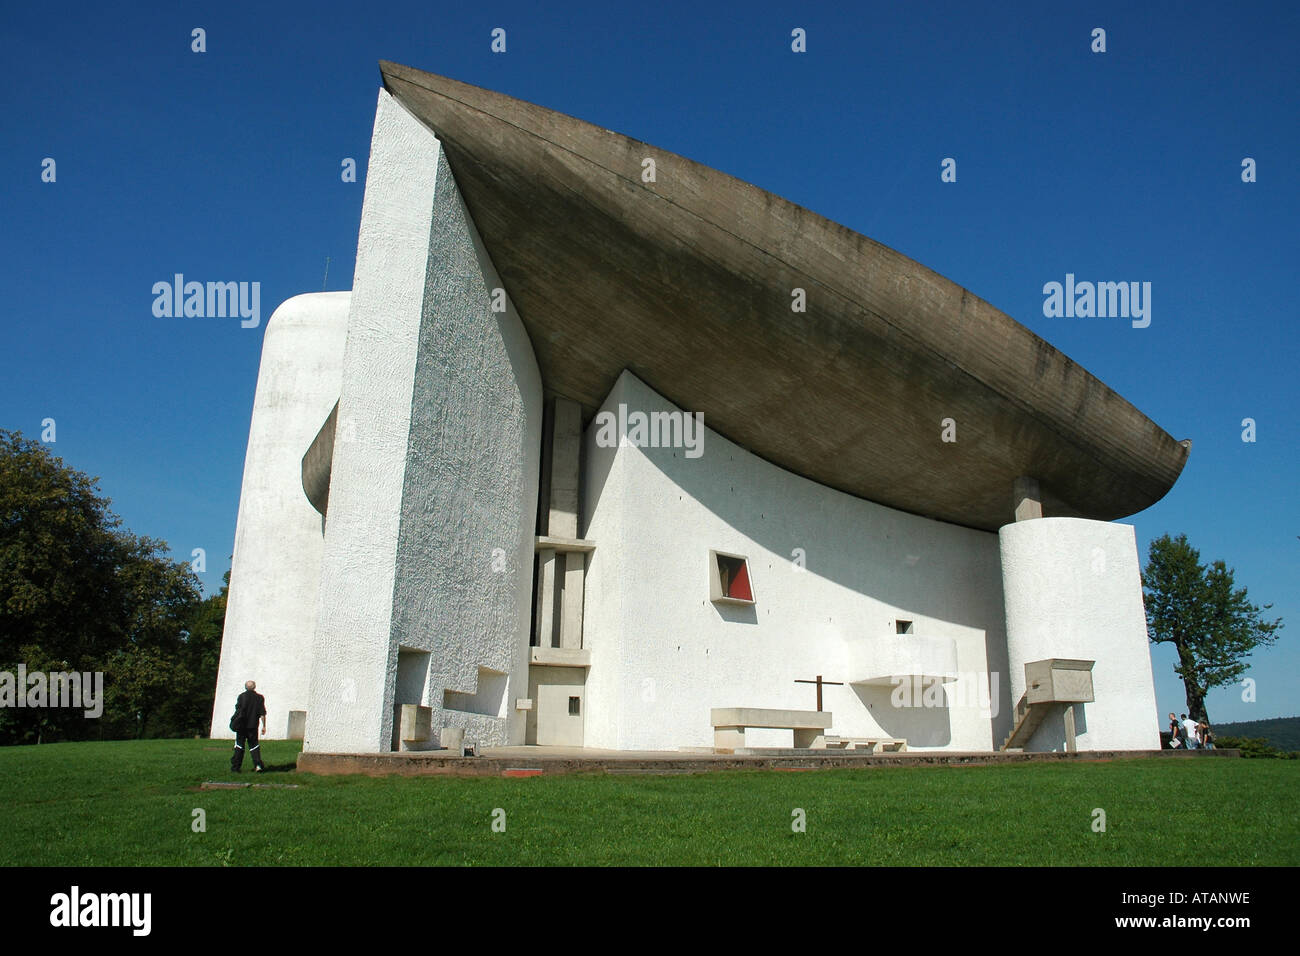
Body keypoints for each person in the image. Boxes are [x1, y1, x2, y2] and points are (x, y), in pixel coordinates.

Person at [230, 680, 268, 773]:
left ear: (245, 687)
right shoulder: (259, 698)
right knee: (254, 746)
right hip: (253, 725)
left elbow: (238, 710)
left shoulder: (241, 697)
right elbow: (262, 713)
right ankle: (258, 765)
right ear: (254, 687)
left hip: (241, 725)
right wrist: (264, 726)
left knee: (239, 745)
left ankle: (236, 767)